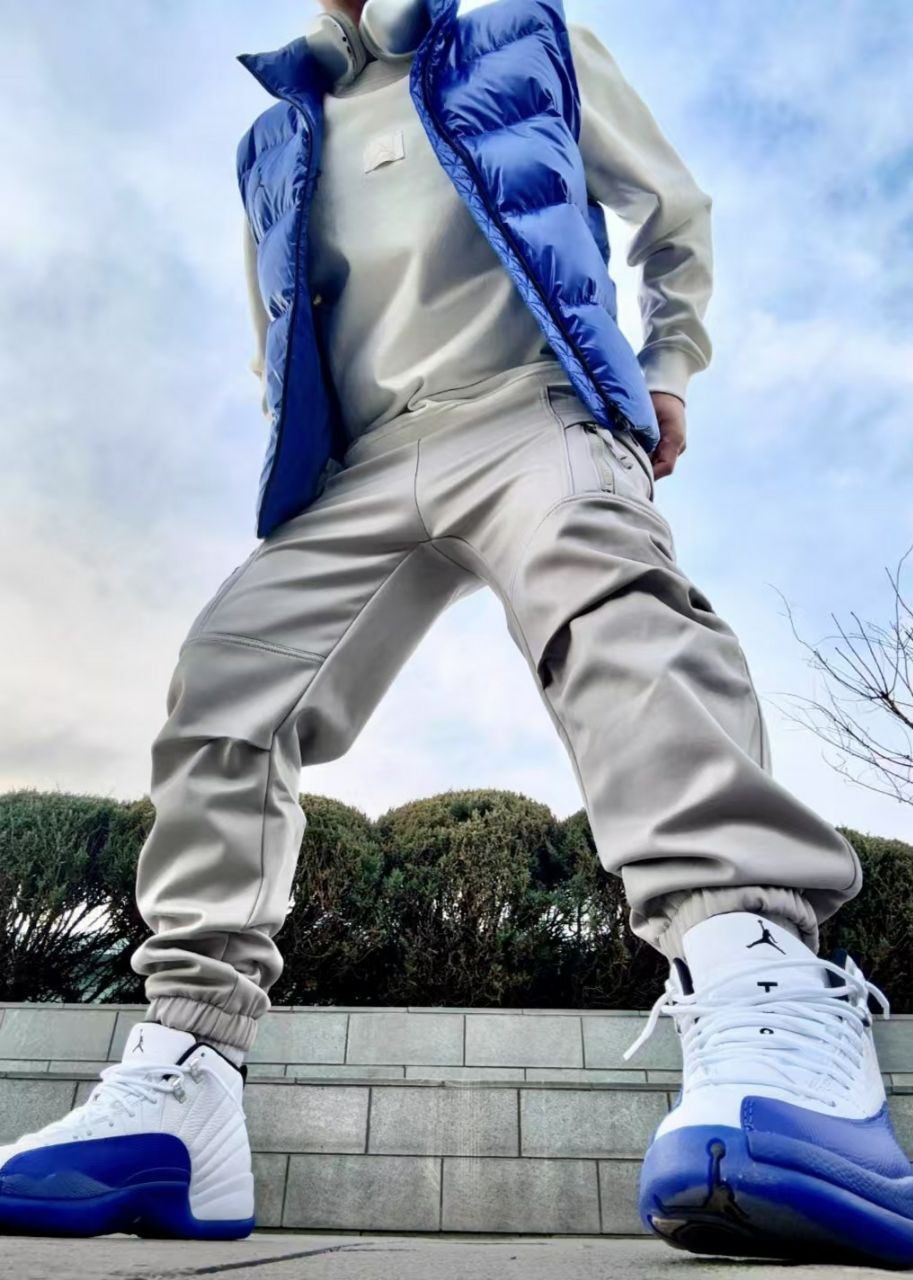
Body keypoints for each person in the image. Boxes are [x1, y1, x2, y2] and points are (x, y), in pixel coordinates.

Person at [2, 0, 910, 1264]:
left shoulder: (527, 39)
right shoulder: (275, 136)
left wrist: (667, 365)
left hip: (529, 404)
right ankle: (184, 1079)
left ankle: (761, 978)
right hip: (364, 466)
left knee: (607, 602)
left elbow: (672, 210)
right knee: (223, 685)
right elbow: (279, 334)